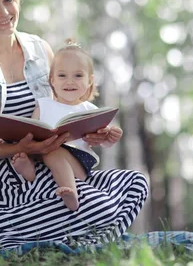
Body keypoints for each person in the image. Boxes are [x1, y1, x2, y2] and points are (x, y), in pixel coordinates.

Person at [0, 0, 148, 249]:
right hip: (0, 173)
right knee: (99, 208)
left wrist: (91, 133)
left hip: (50, 167)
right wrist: (22, 148)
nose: (4, 12)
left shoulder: (40, 49)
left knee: (135, 183)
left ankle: (8, 232)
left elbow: (64, 107)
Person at [11, 39, 119, 211]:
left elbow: (101, 141)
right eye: (62, 76)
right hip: (43, 158)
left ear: (90, 81)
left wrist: (109, 137)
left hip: (77, 163)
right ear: (52, 80)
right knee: (29, 147)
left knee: (54, 151)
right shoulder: (43, 105)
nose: (70, 82)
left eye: (78, 75)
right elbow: (31, 131)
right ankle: (28, 170)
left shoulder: (89, 109)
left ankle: (71, 194)